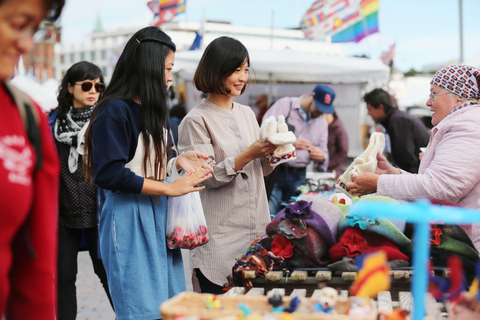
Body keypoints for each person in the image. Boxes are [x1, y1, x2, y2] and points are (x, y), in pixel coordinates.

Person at [84, 27, 212, 320]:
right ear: (147, 66)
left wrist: (178, 162)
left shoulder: (153, 109)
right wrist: (169, 188)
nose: (169, 77)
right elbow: (109, 174)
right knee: (139, 309)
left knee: (168, 307)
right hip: (129, 218)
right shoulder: (114, 110)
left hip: (159, 217)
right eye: (166, 69)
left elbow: (148, 164)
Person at [178, 36, 277, 294]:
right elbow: (203, 177)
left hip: (256, 232)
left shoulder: (246, 113)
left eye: (245, 69)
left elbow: (262, 170)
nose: (243, 77)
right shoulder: (195, 120)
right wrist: (248, 154)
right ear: (216, 70)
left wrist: (274, 154)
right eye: (236, 70)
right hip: (219, 240)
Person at [347, 65, 480, 253]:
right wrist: (392, 173)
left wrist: (379, 183)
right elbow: (439, 184)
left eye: (434, 94)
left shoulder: (468, 126)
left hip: (472, 245)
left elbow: (439, 189)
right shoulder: (465, 123)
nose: (428, 102)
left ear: (457, 97)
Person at [0, 0, 64, 318]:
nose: (26, 44)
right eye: (18, 24)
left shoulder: (27, 118)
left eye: (33, 30)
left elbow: (34, 272)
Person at [48, 61, 113, 319]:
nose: (93, 90)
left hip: (99, 211)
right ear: (69, 87)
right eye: (87, 85)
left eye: (99, 86)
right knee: (63, 277)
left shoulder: (106, 120)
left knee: (107, 273)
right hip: (63, 214)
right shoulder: (51, 123)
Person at [263, 83, 332, 216]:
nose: (320, 112)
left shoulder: (322, 122)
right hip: (276, 171)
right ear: (311, 96)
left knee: (292, 218)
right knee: (269, 214)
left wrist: (321, 156)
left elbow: (325, 156)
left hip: (300, 176)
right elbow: (264, 133)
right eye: (318, 107)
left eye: (324, 110)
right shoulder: (285, 105)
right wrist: (289, 141)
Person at [363, 88, 430, 173]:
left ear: (380, 107)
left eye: (369, 109)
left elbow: (406, 159)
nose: (368, 113)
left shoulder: (397, 121)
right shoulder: (396, 118)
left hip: (416, 175)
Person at [324, 111, 348, 179]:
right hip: (326, 169)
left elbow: (344, 151)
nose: (325, 118)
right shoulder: (327, 128)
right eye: (322, 115)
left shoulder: (338, 128)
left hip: (335, 170)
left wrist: (330, 164)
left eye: (326, 114)